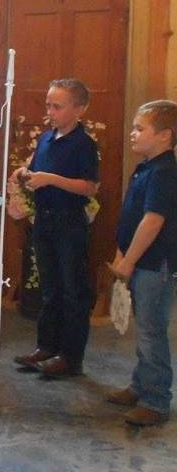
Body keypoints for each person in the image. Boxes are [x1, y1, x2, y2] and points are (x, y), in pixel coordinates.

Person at [12, 79, 99, 378]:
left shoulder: (84, 144)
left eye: (57, 106)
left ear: (79, 109)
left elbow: (89, 186)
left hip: (69, 223)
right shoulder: (46, 139)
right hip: (45, 221)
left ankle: (70, 356)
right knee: (50, 290)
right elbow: (36, 169)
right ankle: (47, 346)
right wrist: (26, 174)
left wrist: (50, 179)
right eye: (48, 105)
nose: (50, 111)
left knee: (72, 291)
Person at [107, 100, 177, 426]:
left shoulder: (165, 172)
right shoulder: (147, 166)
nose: (132, 133)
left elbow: (152, 220)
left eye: (139, 128)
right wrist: (123, 253)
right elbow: (133, 215)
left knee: (152, 331)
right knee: (144, 328)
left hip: (154, 265)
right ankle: (140, 384)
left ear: (165, 136)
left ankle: (156, 400)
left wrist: (130, 259)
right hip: (140, 262)